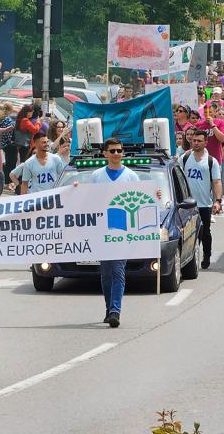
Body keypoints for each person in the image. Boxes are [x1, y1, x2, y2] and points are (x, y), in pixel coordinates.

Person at [90, 138, 141, 328]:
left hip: (122, 230)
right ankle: (108, 306)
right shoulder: (96, 175)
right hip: (102, 230)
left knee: (118, 271)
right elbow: (86, 200)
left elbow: (142, 200)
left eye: (119, 151)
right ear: (105, 153)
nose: (116, 154)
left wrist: (155, 196)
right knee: (105, 273)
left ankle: (115, 311)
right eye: (112, 151)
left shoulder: (131, 176)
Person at [180, 130, 222, 269]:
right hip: (187, 205)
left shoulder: (211, 161)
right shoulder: (185, 158)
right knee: (188, 232)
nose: (196, 143)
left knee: (205, 232)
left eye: (199, 141)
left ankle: (207, 255)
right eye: (194, 140)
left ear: (206, 142)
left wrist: (217, 201)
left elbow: (216, 182)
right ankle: (190, 258)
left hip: (204, 204)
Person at [0, 102, 16, 185]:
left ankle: (4, 180)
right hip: (7, 143)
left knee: (3, 163)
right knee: (9, 162)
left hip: (0, 142)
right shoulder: (8, 119)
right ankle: (8, 180)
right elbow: (9, 132)